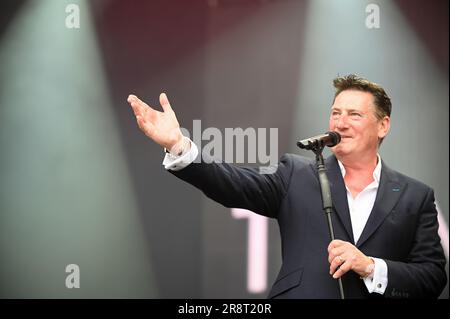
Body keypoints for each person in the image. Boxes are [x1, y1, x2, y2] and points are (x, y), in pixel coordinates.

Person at [127, 74, 447, 298]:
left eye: (354, 114)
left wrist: (370, 267)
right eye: (335, 113)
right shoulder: (297, 172)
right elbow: (233, 184)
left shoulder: (414, 196)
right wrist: (180, 145)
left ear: (383, 125)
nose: (340, 122)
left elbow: (432, 278)